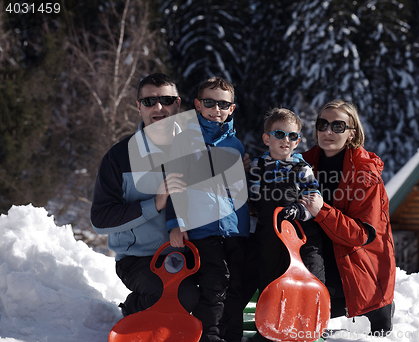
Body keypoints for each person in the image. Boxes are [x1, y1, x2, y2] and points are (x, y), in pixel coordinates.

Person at [90, 73, 199, 317]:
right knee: (184, 296)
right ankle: (132, 312)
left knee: (220, 288)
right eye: (149, 102)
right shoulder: (119, 156)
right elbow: (100, 218)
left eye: (167, 100)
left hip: (192, 252)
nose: (159, 108)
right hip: (140, 259)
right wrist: (155, 204)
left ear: (178, 104)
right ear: (139, 107)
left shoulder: (200, 148)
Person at [300, 99, 396, 337]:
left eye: (338, 126)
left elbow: (360, 235)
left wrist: (321, 210)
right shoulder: (301, 164)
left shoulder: (366, 175)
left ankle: (377, 308)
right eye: (322, 124)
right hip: (315, 257)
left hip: (356, 265)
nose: (328, 131)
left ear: (352, 133)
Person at [167, 77, 250, 342]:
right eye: (209, 102)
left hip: (235, 229)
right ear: (198, 105)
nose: (216, 109)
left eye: (223, 104)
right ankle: (207, 335)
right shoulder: (184, 142)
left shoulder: (235, 145)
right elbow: (174, 186)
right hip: (203, 228)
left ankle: (230, 334)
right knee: (216, 281)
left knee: (236, 283)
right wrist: (175, 223)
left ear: (232, 109)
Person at [247, 108, 326, 341]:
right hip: (269, 234)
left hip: (300, 235)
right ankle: (270, 328)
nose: (286, 140)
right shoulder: (258, 167)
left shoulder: (302, 168)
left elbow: (314, 197)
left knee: (308, 277)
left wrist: (300, 209)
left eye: (292, 136)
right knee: (271, 278)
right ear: (266, 138)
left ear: (298, 141)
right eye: (279, 134)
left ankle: (307, 328)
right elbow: (252, 198)